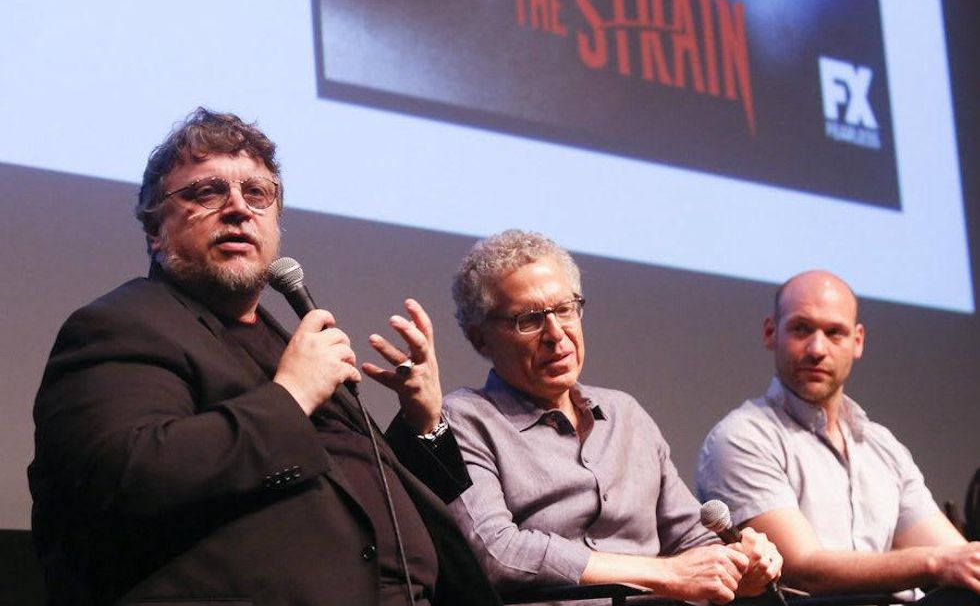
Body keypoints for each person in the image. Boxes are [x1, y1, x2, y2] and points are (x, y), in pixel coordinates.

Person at [28, 108, 500, 606]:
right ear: (155, 231)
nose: (238, 208)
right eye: (206, 192)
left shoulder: (283, 340)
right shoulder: (122, 325)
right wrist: (292, 395)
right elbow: (124, 479)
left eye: (257, 193)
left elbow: (364, 479)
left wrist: (424, 422)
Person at [441, 229, 782, 604]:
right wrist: (664, 573)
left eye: (565, 309)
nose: (557, 334)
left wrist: (740, 560)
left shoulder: (626, 414)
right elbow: (497, 554)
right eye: (529, 320)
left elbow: (690, 538)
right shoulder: (464, 420)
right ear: (479, 339)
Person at [696, 269, 980, 597]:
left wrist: (953, 561)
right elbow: (803, 568)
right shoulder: (741, 438)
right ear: (771, 332)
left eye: (835, 333)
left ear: (857, 341)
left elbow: (957, 555)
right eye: (802, 329)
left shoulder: (881, 446)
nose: (817, 348)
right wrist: (937, 562)